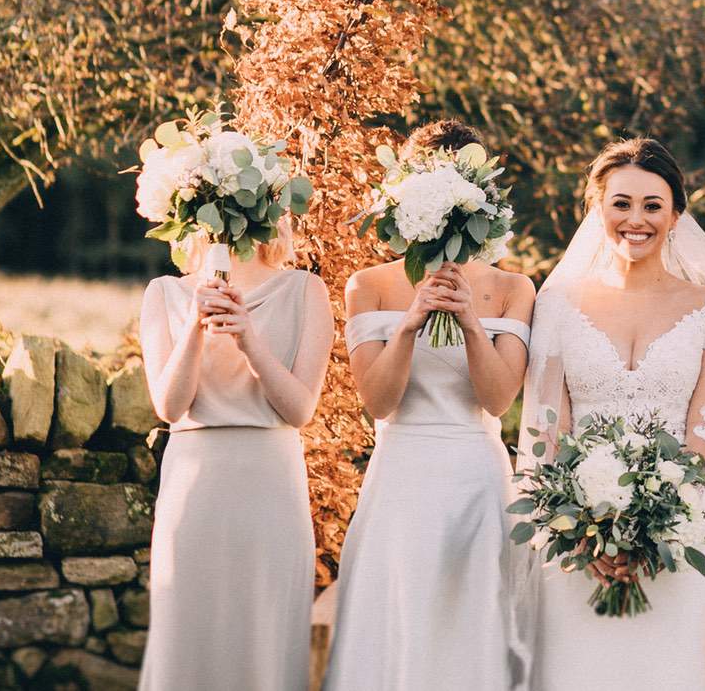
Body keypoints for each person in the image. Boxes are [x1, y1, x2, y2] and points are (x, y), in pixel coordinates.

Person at [515, 137, 705, 691]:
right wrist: (578, 528)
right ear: (597, 208)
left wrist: (657, 526)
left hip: (678, 531)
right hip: (577, 540)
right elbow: (548, 427)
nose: (636, 219)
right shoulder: (558, 302)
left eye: (653, 205)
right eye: (621, 203)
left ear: (675, 215)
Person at [325, 119, 536, 691]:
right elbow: (378, 402)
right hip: (401, 477)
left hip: (477, 476)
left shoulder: (515, 288)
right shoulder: (367, 284)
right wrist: (411, 323)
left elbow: (497, 400)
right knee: (399, 622)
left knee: (472, 628)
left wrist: (470, 322)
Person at [139, 220, 331, 690]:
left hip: (270, 483)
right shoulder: (164, 292)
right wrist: (194, 330)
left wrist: (248, 339)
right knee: (189, 638)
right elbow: (169, 406)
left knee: (262, 639)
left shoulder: (306, 290)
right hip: (195, 484)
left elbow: (300, 409)